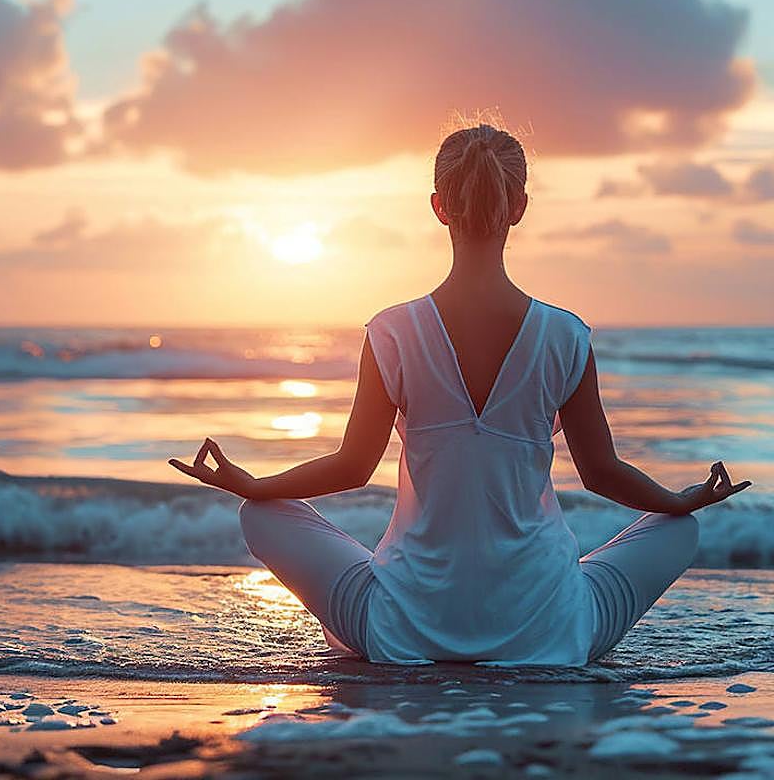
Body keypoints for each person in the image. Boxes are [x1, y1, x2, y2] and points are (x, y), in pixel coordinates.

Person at [168, 123, 752, 666]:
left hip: (403, 628)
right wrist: (682, 500)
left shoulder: (392, 333)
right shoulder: (566, 336)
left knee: (260, 516)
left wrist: (257, 485)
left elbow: (353, 466)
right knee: (681, 529)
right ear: (518, 208)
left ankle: (370, 617)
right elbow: (602, 474)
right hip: (548, 629)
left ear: (438, 208)